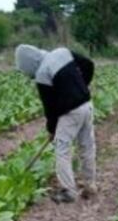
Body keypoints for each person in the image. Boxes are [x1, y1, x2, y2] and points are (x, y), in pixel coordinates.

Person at [15, 44, 96, 204]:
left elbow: (50, 108)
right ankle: (90, 184)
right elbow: (88, 64)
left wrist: (52, 130)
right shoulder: (62, 52)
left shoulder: (42, 74)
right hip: (86, 104)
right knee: (87, 145)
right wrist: (82, 86)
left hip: (70, 113)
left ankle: (69, 192)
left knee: (62, 150)